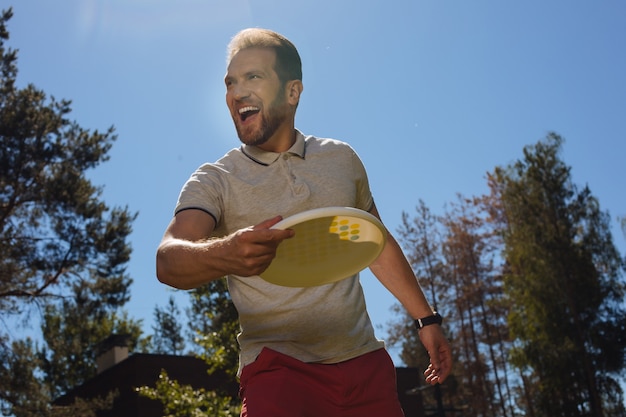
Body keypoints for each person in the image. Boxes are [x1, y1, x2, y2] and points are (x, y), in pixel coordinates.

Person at [156, 28, 452, 417]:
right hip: (278, 372)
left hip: (364, 366)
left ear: (293, 92)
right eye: (231, 82)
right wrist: (224, 253)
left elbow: (375, 242)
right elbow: (168, 260)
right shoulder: (215, 179)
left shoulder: (341, 159)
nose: (237, 92)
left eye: (253, 77)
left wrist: (426, 319)